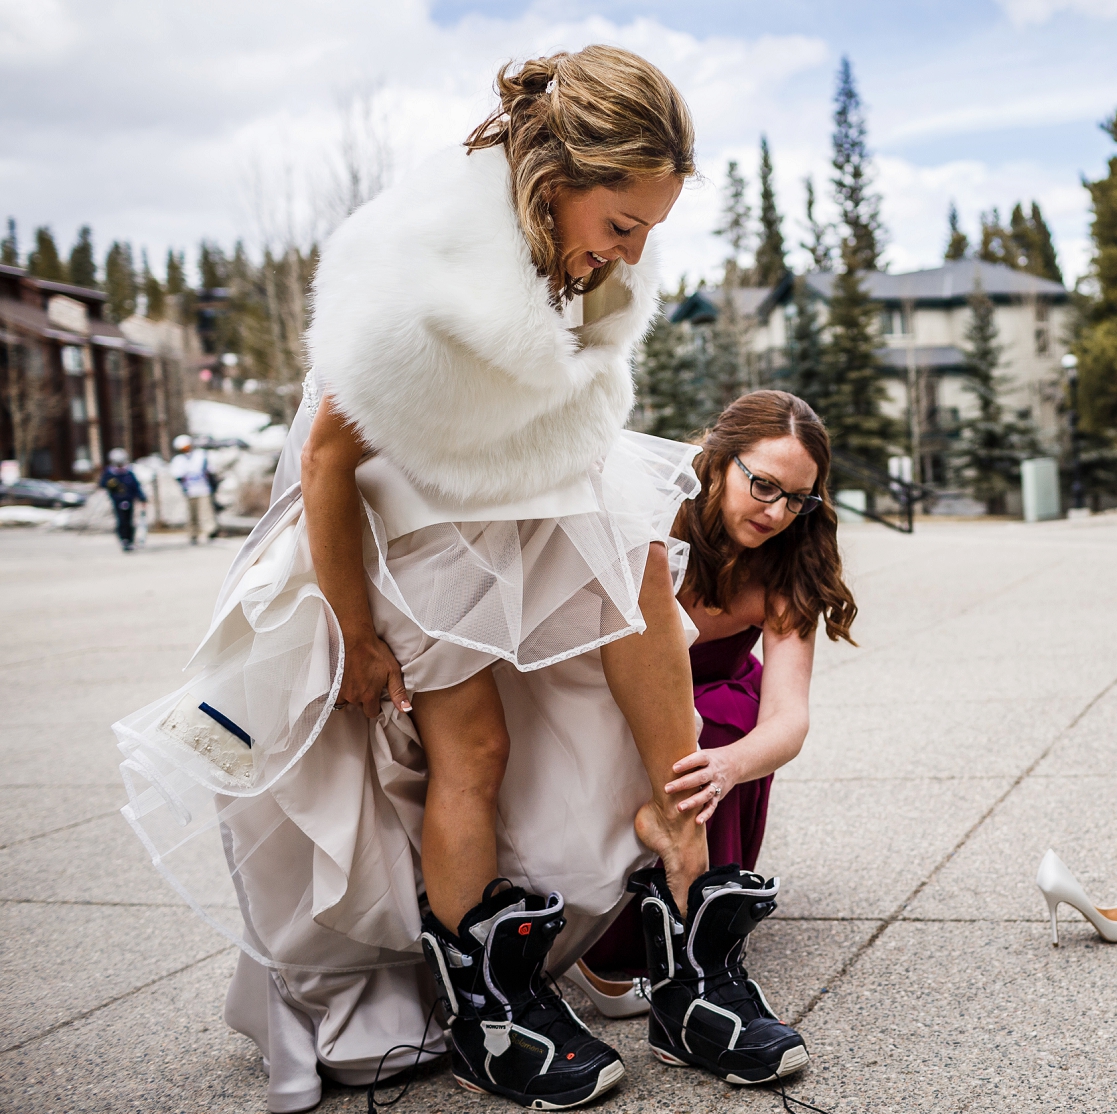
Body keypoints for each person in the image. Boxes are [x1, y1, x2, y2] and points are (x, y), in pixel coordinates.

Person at [113, 47, 802, 1113]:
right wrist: (353, 630)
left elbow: (581, 373)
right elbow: (329, 461)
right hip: (411, 498)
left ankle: (687, 937)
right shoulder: (420, 278)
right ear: (553, 180)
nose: (634, 252)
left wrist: (612, 257)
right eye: (623, 225)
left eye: (653, 230)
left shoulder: (591, 250)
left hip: (532, 459)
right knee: (472, 745)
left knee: (641, 600)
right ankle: (490, 1001)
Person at [579, 391, 857, 988]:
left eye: (797, 499)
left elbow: (789, 719)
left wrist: (731, 765)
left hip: (716, 715)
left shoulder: (790, 568)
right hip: (608, 699)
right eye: (763, 485)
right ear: (717, 459)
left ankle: (692, 911)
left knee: (720, 719)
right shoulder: (653, 520)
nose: (778, 513)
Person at [169, 433, 217, 543]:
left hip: (203, 488)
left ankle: (210, 531)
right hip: (190, 490)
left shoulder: (200, 456)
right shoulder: (179, 460)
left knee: (206, 512)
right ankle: (193, 534)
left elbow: (210, 471)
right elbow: (177, 475)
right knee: (191, 514)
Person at [98, 448, 146, 552]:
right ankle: (123, 539)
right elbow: (102, 484)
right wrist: (111, 484)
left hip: (129, 499)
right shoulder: (110, 472)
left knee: (130, 521)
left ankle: (130, 540)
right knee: (122, 521)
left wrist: (142, 497)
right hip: (117, 500)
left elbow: (135, 486)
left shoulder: (128, 472)